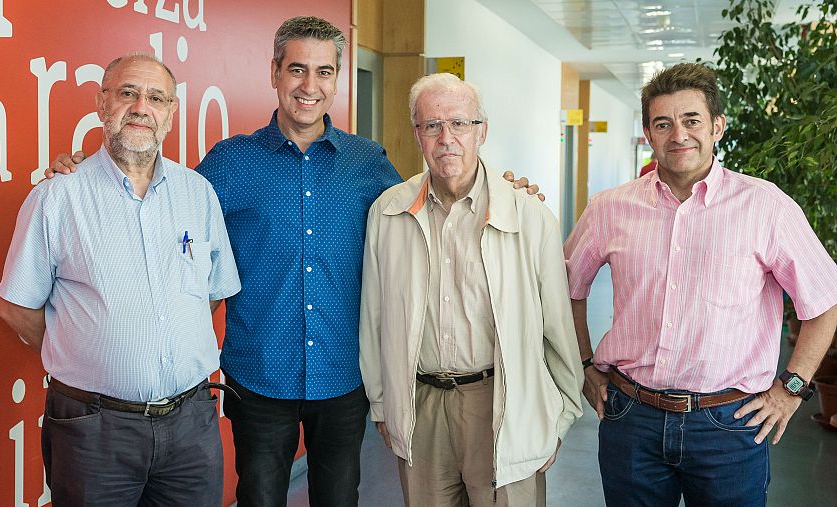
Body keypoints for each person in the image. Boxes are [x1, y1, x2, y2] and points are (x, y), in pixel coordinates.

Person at [45, 17, 541, 506]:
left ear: (337, 79)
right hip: (258, 378)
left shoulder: (367, 163)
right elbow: (158, 203)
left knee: (340, 497)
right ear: (275, 74)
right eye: (297, 69)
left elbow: (431, 208)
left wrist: (501, 189)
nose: (310, 85)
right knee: (259, 498)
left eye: (324, 72)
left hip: (344, 376)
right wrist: (81, 170)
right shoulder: (229, 162)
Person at [564, 63, 837, 506]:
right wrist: (584, 364)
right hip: (631, 419)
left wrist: (791, 388)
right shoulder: (610, 208)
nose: (679, 135)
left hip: (729, 424)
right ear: (649, 134)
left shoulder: (765, 206)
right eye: (663, 123)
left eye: (692, 120)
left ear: (717, 127)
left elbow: (825, 301)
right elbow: (567, 288)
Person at [0, 54, 241, 505]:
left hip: (191, 425)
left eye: (156, 97)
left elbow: (209, 295)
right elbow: (15, 306)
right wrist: (80, 347)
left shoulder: (198, 193)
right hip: (93, 429)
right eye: (127, 93)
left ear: (170, 112)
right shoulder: (58, 197)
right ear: (101, 103)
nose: (141, 106)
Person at [359, 73, 583, 507]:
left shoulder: (528, 216)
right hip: (421, 407)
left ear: (482, 131)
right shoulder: (388, 213)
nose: (447, 138)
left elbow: (557, 328)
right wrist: (383, 407)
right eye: (433, 125)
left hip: (503, 403)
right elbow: (374, 319)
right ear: (417, 135)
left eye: (459, 124)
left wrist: (557, 419)